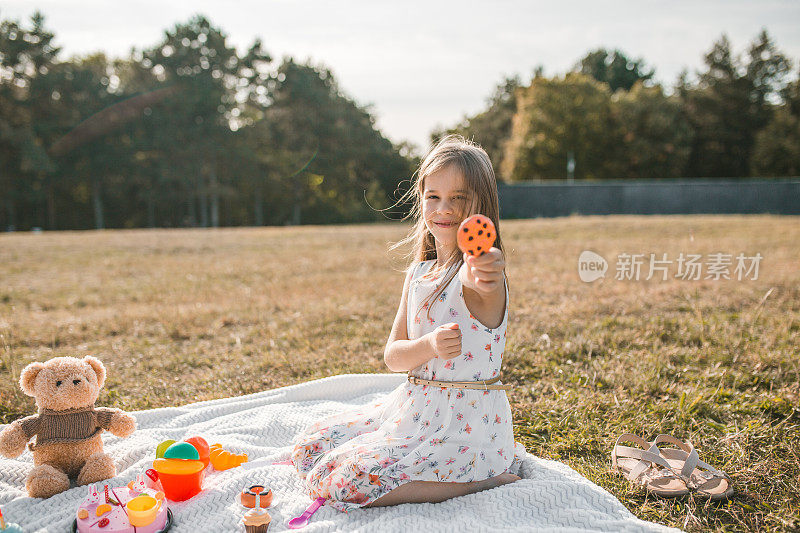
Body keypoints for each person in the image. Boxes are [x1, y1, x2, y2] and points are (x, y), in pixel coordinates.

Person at [290, 135, 524, 512]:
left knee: (342, 484)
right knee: (309, 449)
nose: (443, 209)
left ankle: (478, 482)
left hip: (462, 425)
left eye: (459, 198)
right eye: (433, 196)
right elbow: (393, 357)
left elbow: (481, 280)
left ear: (482, 204)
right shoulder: (419, 273)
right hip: (413, 410)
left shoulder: (477, 275)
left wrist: (484, 267)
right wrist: (429, 345)